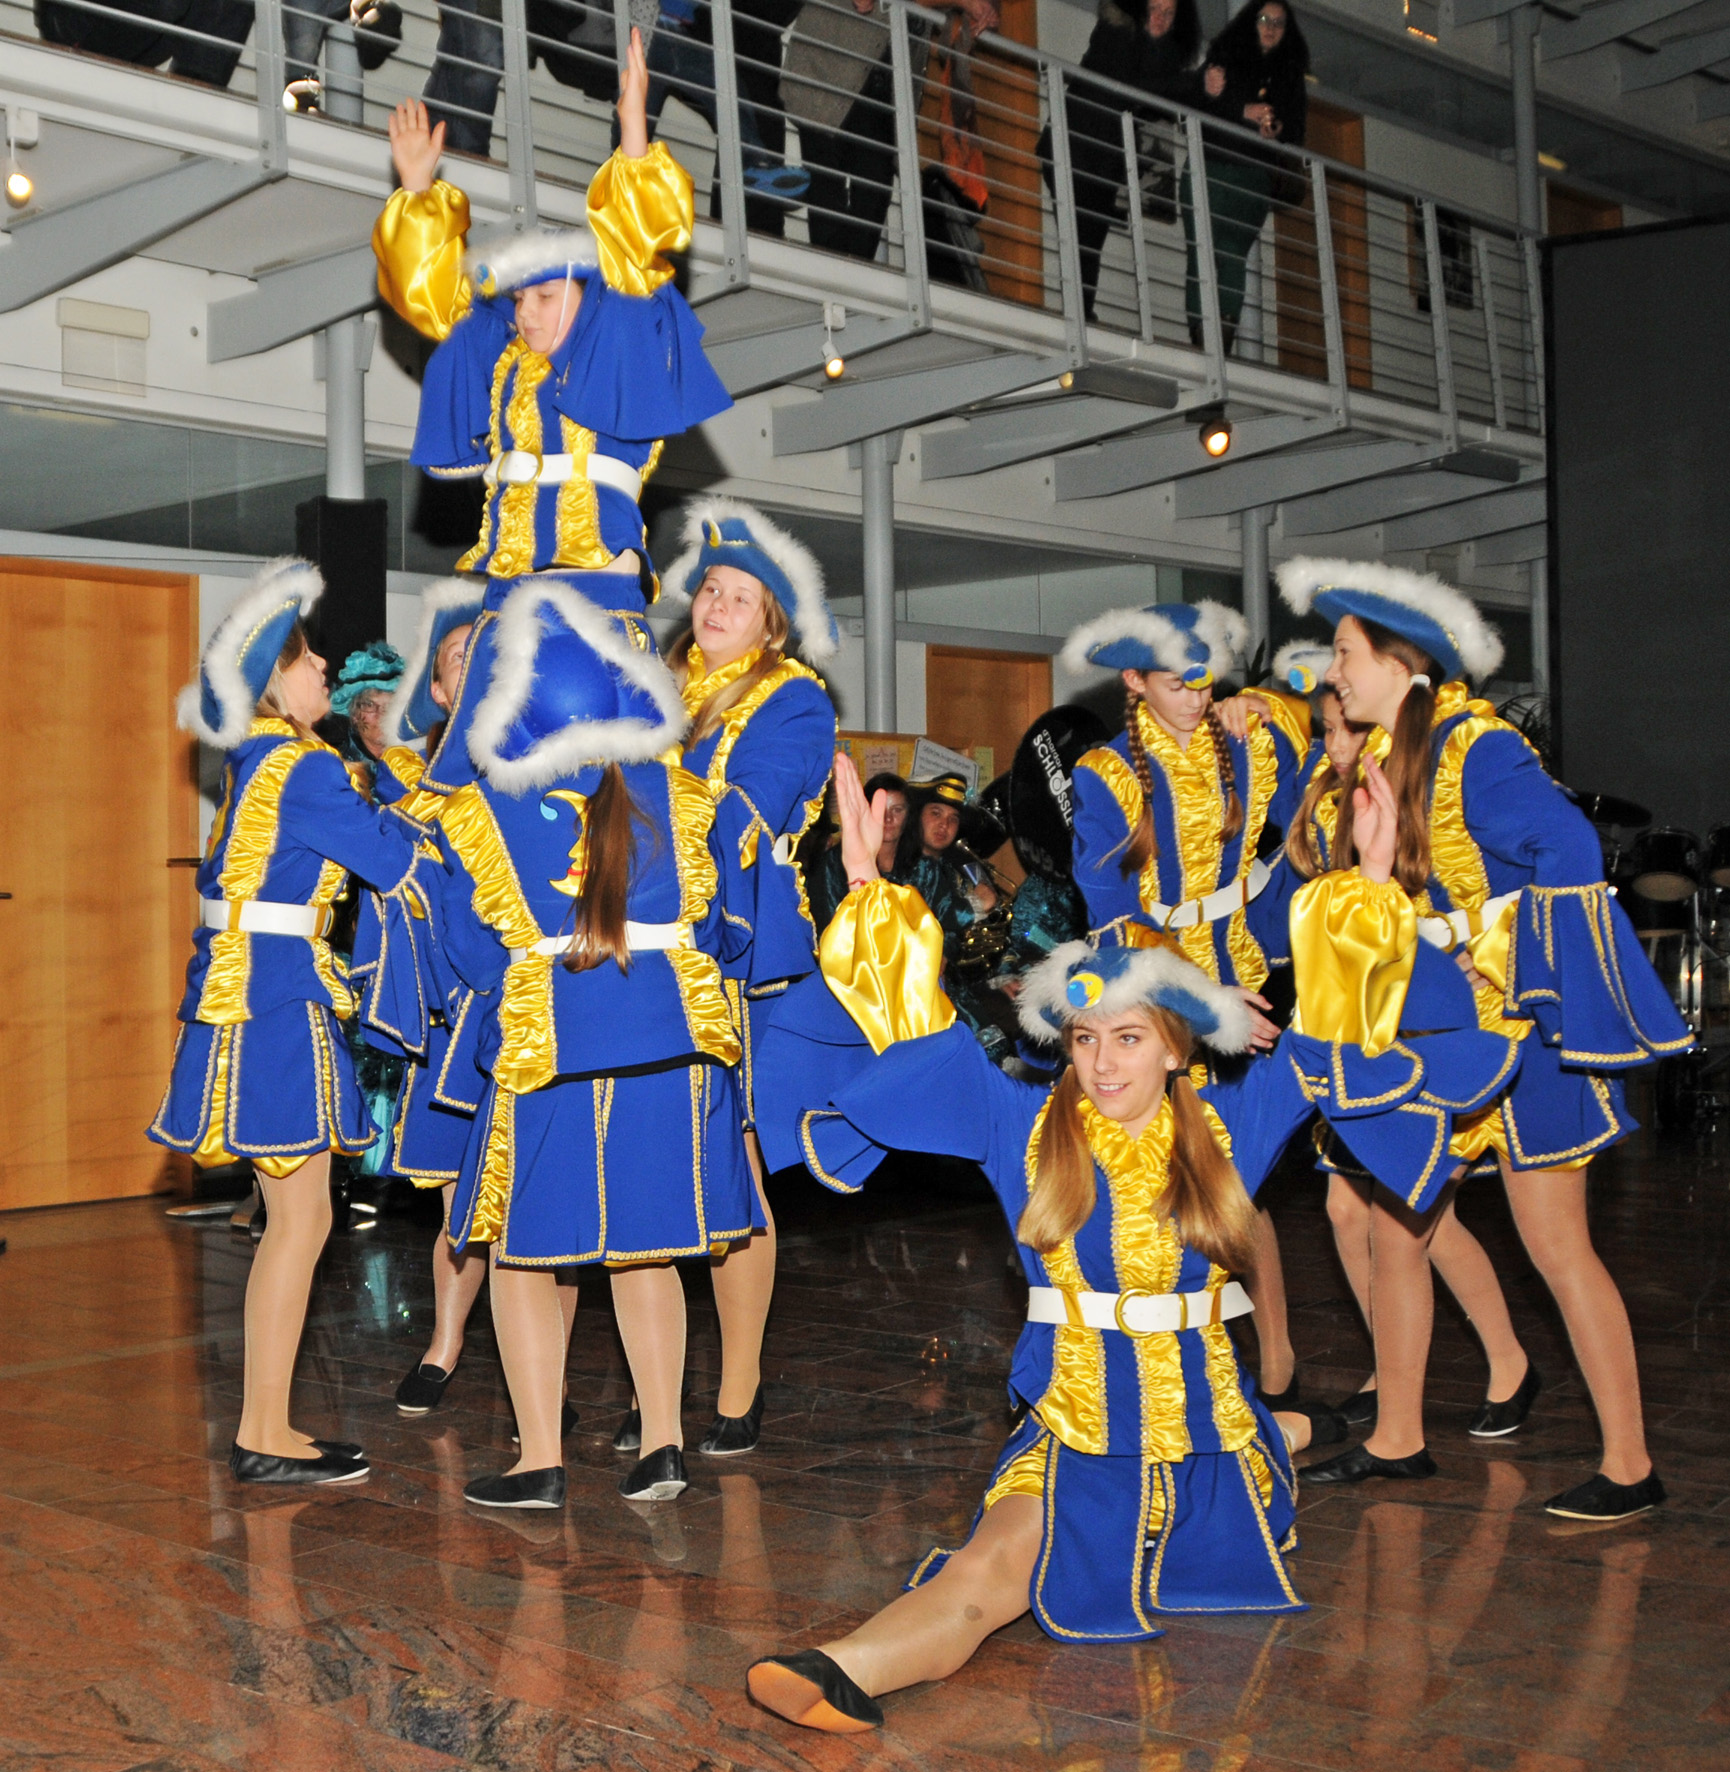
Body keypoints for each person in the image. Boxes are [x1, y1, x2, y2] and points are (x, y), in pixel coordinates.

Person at [742, 750, 1481, 1734]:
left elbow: (1341, 1041)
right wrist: (872, 896)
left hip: (1203, 1441)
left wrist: (1371, 888)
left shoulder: (1235, 1119)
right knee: (989, 1567)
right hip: (1075, 1426)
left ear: (1176, 1045)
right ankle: (845, 1667)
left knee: (1247, 1464)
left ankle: (1285, 1433)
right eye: (1084, 1036)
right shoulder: (1019, 1122)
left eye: (1126, 1038)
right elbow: (918, 1040)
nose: (1099, 1062)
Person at [1276, 557, 1690, 1520]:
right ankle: (1398, 1439)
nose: (1333, 673)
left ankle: (1631, 1464)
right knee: (1395, 1231)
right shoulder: (1384, 760)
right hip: (1447, 1041)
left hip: (1526, 1043)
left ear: (1400, 664)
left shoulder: (1477, 749)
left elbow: (1570, 850)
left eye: (1345, 654)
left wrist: (1496, 957)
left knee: (1557, 1248)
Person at [399, 577, 755, 1507]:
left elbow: (469, 955)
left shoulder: (482, 807)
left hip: (552, 1051)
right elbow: (725, 928)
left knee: (523, 1255)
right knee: (647, 1252)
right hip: (674, 1048)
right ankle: (663, 1445)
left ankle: (542, 1462)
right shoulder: (687, 793)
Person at [371, 28, 732, 800]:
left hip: (596, 601)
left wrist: (633, 137)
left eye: (544, 296)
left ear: (586, 297)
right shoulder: (501, 358)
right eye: (519, 300)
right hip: (504, 601)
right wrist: (418, 190)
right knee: (459, 797)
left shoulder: (618, 343)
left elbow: (636, 248)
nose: (526, 313)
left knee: (618, 796)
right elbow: (435, 298)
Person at [148, 560, 422, 1485]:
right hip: (276, 998)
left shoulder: (260, 757)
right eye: (309, 659)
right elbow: (392, 860)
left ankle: (268, 1425)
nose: (326, 669)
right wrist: (430, 803)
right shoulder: (304, 765)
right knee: (301, 1220)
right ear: (275, 677)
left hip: (251, 989)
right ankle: (263, 1433)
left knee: (293, 1218)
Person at [600, 498, 837, 1460]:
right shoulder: (658, 687)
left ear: (771, 620)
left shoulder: (794, 701)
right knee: (653, 1170)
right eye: (708, 589)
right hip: (654, 953)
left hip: (741, 959)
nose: (716, 606)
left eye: (740, 596)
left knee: (736, 1170)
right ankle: (657, 1391)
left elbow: (744, 811)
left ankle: (739, 1383)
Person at [1273, 642, 1536, 1438]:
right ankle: (1401, 1373)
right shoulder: (1329, 802)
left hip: (1434, 1027)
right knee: (1353, 1212)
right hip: (1359, 1027)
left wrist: (1480, 950)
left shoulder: (1419, 780)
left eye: (1344, 729)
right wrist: (1254, 703)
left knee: (1413, 1215)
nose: (1333, 743)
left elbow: (1491, 876)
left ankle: (1494, 1368)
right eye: (1324, 730)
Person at [1062, 598, 1309, 1405]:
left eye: (1208, 683)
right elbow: (1108, 910)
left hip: (1248, 977)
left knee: (1237, 1176)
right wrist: (1196, 998)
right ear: (1134, 682)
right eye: (1178, 684)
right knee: (1156, 1177)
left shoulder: (1247, 741)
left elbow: (1322, 782)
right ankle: (1164, 1354)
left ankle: (1275, 1354)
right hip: (1155, 995)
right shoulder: (1104, 774)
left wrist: (1265, 704)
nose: (1199, 699)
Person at [1043, 0, 1205, 322]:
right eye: (1154, 8)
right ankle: (1080, 318)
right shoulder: (1116, 31)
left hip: (1104, 157)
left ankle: (1082, 316)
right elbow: (1133, 86)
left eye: (1168, 13)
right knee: (1082, 238)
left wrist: (1202, 85)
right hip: (1074, 145)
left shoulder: (1163, 57)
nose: (1159, 18)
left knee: (1090, 240)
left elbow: (1163, 96)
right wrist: (1193, 82)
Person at [1182, 0, 1308, 351]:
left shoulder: (1289, 75)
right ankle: (1205, 339)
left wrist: (1276, 129)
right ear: (1251, 22)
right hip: (1211, 165)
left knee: (1227, 253)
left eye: (1278, 23)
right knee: (1205, 252)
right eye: (1265, 19)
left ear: (1287, 31)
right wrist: (1241, 109)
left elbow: (1295, 129)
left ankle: (1215, 343)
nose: (1270, 28)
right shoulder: (1225, 55)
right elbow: (1195, 100)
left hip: (1249, 176)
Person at [898, 772, 1020, 1064]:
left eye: (953, 818)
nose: (945, 825)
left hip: (965, 982)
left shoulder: (963, 863)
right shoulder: (900, 864)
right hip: (917, 990)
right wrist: (975, 905)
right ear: (916, 816)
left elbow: (998, 923)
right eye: (936, 813)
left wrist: (1001, 972)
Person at [810, 771, 908, 931]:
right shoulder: (832, 864)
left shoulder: (924, 868)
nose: (888, 818)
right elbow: (830, 927)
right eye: (879, 809)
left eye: (897, 810)